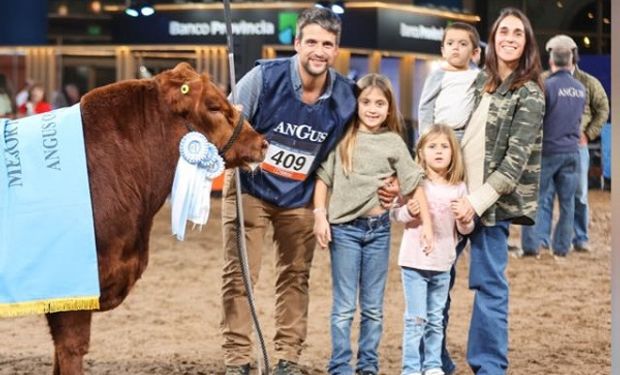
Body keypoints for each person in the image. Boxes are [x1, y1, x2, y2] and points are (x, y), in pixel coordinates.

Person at [219, 8, 358, 375]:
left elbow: (360, 147)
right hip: (250, 188)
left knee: (295, 276)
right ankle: (237, 360)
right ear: (296, 44)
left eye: (327, 44)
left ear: (336, 50)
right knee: (240, 275)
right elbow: (226, 124)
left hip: (300, 198)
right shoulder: (262, 78)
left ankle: (287, 359)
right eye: (311, 41)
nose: (319, 51)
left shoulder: (347, 97)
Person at [312, 73, 431, 375]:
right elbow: (324, 180)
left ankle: (368, 366)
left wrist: (421, 216)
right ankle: (340, 366)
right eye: (366, 102)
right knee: (343, 307)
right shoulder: (343, 138)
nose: (373, 108)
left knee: (374, 308)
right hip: (345, 231)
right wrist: (320, 216)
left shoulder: (393, 142)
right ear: (356, 104)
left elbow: (413, 182)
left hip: (378, 231)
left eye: (380, 103)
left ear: (389, 108)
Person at [449, 8, 545, 374]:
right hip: (457, 196)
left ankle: (488, 366)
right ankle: (432, 360)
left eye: (517, 33)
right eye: (503, 31)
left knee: (489, 287)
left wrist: (473, 204)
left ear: (526, 43)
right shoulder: (480, 83)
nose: (508, 37)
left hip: (489, 206)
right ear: (493, 38)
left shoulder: (530, 94)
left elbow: (513, 167)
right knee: (436, 281)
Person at [391, 125, 473, 375]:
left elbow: (465, 230)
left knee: (436, 319)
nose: (439, 151)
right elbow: (395, 213)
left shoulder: (459, 187)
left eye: (444, 146)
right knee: (415, 319)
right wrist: (409, 211)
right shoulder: (416, 183)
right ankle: (411, 368)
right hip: (415, 262)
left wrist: (464, 219)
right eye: (432, 146)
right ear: (421, 151)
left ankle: (433, 365)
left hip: (442, 263)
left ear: (453, 152)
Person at [544, 34, 610, 253]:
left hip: (577, 147)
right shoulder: (543, 80)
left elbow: (603, 109)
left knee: (579, 194)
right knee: (545, 196)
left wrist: (589, 134)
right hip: (549, 147)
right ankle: (543, 240)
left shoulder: (589, 82)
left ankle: (580, 237)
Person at [520, 45, 585, 258]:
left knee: (535, 199)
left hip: (548, 151)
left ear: (551, 62)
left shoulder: (546, 86)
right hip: (572, 151)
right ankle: (562, 248)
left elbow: (536, 119)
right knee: (567, 203)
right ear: (571, 62)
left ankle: (531, 245)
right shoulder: (580, 88)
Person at [418, 22, 481, 142]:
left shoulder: (477, 75)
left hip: (467, 136)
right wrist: (425, 137)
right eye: (450, 43)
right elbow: (426, 106)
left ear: (473, 52)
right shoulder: (437, 75)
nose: (455, 47)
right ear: (443, 51)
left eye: (463, 44)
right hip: (439, 135)